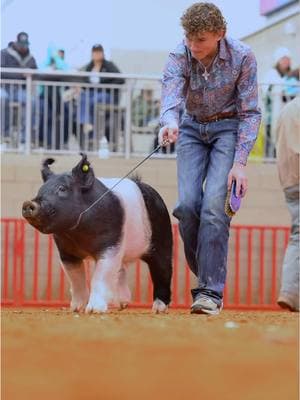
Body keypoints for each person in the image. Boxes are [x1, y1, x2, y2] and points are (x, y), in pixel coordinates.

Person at [158, 2, 261, 315]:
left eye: (200, 39)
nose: (193, 45)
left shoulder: (244, 56)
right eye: (189, 38)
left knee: (215, 208)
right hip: (190, 129)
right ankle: (206, 270)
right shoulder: (179, 54)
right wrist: (170, 123)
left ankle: (209, 293)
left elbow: (250, 111)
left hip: (228, 130)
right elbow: (171, 93)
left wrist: (240, 163)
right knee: (188, 207)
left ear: (221, 34)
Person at [276, 97, 300, 312]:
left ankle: (290, 293)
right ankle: (291, 293)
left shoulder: (287, 109)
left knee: (297, 235)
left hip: (290, 181)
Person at [77, 44, 125, 149]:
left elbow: (120, 79)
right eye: (94, 52)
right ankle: (86, 122)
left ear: (103, 53)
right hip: (91, 94)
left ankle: (89, 123)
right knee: (83, 97)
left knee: (96, 99)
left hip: (107, 95)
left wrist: (102, 83)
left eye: (99, 52)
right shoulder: (89, 67)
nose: (97, 54)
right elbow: (84, 81)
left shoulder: (109, 65)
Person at [0, 32, 37, 146]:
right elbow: (2, 73)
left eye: (25, 44)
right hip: (4, 88)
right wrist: (21, 74)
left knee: (31, 101)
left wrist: (31, 74)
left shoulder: (30, 58)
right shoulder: (4, 53)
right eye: (21, 44)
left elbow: (36, 72)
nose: (23, 47)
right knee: (2, 99)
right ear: (16, 43)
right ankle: (4, 135)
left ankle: (24, 139)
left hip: (19, 90)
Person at [263, 47, 299, 157]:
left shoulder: (291, 78)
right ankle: (268, 163)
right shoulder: (272, 74)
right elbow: (269, 91)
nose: (286, 62)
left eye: (288, 59)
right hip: (271, 116)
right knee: (271, 141)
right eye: (284, 59)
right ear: (278, 61)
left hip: (288, 116)